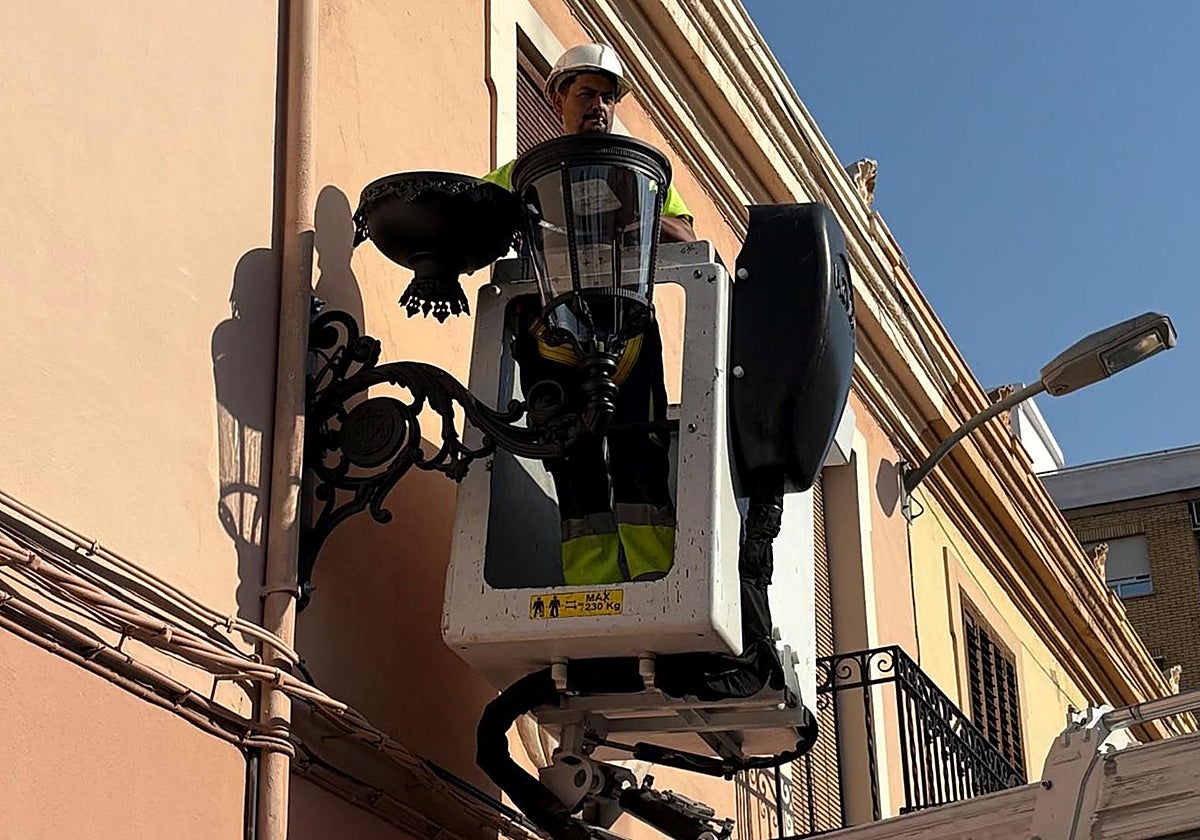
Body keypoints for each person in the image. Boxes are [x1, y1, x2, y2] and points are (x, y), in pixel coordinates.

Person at [484, 44, 695, 586]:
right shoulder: (518, 176)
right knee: (570, 456)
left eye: (607, 96)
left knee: (639, 450)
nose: (599, 105)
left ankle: (652, 578)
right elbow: (474, 220)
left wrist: (634, 212)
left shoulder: (640, 174)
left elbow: (686, 235)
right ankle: (591, 584)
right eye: (586, 93)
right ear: (557, 96)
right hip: (548, 333)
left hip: (627, 335)